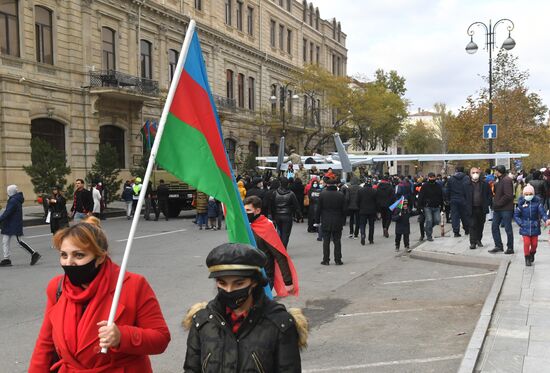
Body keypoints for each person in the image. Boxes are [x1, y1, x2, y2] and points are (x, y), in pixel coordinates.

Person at [29, 217, 171, 372]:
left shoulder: (133, 285)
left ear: (100, 257)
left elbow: (161, 338)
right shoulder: (57, 288)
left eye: (79, 255)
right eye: (64, 255)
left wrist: (122, 337)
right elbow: (45, 343)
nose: (69, 262)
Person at [183, 243, 306, 372]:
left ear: (254, 282)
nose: (229, 290)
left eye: (239, 283)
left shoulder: (280, 323)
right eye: (222, 283)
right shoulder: (202, 321)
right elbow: (191, 369)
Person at [244, 196, 298, 296]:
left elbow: (279, 255)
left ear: (258, 210)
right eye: (244, 210)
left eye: (248, 210)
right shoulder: (246, 226)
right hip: (249, 274)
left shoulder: (267, 227)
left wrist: (288, 282)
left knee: (261, 307)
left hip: (265, 276)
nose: (245, 213)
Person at [0, 185, 41, 266]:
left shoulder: (13, 201)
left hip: (13, 224)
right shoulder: (15, 199)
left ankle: (34, 253)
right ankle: (6, 259)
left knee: (19, 241)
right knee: (5, 241)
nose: (7, 192)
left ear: (10, 192)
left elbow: (7, 213)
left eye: (8, 191)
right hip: (10, 224)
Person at [514, 185, 550, 266]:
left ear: (533, 194)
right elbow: (516, 215)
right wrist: (520, 223)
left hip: (535, 226)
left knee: (534, 244)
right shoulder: (521, 204)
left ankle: (532, 253)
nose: (528, 196)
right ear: (523, 194)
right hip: (525, 226)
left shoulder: (537, 204)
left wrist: (546, 219)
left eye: (530, 194)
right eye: (526, 194)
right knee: (526, 243)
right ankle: (527, 258)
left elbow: (542, 212)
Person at [317, 178, 347, 265]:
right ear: (336, 185)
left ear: (327, 185)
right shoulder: (340, 195)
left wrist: (317, 220)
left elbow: (318, 209)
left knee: (326, 241)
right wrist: (342, 219)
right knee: (337, 240)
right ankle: (338, 259)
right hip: (337, 220)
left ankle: (326, 259)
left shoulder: (322, 194)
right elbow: (344, 210)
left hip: (326, 220)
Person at [489, 165, 515, 254]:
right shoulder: (499, 180)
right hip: (498, 209)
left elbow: (508, 195)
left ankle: (510, 248)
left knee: (508, 228)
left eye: (495, 170)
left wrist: (498, 203)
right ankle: (498, 246)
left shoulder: (506, 180)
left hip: (506, 209)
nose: (494, 172)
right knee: (494, 227)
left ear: (498, 171)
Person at [270, 177, 301, 249]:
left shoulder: (275, 193)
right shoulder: (291, 194)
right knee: (285, 234)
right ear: (288, 184)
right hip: (287, 215)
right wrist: (299, 215)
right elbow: (296, 206)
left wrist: (273, 216)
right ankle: (283, 249)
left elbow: (272, 205)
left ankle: (279, 248)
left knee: (279, 232)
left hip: (277, 215)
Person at [466, 167, 492, 250]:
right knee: (472, 225)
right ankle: (472, 242)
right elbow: (462, 196)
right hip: (471, 208)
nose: (475, 174)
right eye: (473, 172)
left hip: (481, 208)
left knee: (480, 225)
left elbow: (489, 195)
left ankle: (478, 240)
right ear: (470, 174)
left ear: (479, 173)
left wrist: (487, 203)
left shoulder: (484, 184)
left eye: (477, 172)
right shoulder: (466, 184)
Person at [417, 172, 444, 242]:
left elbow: (441, 196)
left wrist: (442, 206)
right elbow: (420, 197)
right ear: (428, 178)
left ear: (435, 177)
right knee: (429, 220)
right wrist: (419, 207)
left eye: (433, 177)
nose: (432, 178)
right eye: (431, 177)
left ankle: (426, 229)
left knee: (437, 220)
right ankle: (429, 235)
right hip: (427, 206)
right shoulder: (425, 186)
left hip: (436, 206)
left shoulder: (438, 186)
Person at [446, 167, 470, 237]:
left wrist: (447, 199)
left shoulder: (451, 179)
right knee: (465, 215)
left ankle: (456, 232)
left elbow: (448, 190)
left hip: (454, 200)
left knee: (455, 216)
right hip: (464, 199)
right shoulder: (467, 178)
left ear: (456, 171)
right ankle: (467, 229)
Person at [357, 178, 378, 245]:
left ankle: (363, 234)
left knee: (362, 224)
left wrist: (359, 207)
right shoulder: (374, 191)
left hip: (362, 210)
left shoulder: (360, 191)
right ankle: (371, 239)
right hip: (372, 211)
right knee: (371, 225)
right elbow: (377, 201)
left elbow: (357, 201)